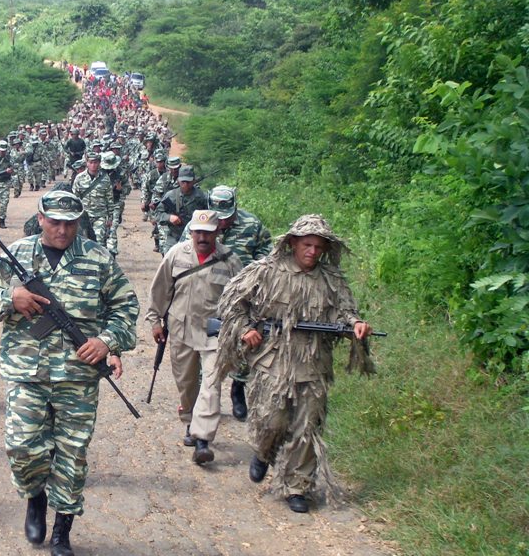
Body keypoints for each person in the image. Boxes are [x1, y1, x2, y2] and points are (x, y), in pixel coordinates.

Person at [0, 191, 139, 556]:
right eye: (55, 222)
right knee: (21, 446)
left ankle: (63, 528)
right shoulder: (18, 254)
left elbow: (126, 307)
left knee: (72, 453)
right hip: (27, 372)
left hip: (78, 376)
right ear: (41, 218)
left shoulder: (97, 259)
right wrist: (10, 297)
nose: (62, 230)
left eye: (70, 223)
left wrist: (105, 341)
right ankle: (35, 497)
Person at [215, 214, 375, 513]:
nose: (312, 251)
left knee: (307, 426)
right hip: (273, 359)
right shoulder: (266, 271)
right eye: (307, 244)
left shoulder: (331, 279)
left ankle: (297, 486)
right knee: (272, 420)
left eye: (318, 246)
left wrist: (355, 324)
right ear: (293, 243)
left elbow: (346, 310)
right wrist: (245, 329)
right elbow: (231, 304)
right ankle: (264, 452)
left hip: (313, 361)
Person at [144, 210, 242, 463]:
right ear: (190, 232)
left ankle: (202, 439)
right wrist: (155, 321)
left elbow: (242, 298)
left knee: (211, 383)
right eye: (198, 232)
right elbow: (160, 290)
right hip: (181, 326)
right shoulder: (176, 254)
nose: (202, 237)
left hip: (214, 328)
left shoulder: (230, 260)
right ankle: (190, 418)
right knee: (187, 383)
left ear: (217, 232)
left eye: (208, 232)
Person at [203, 185, 273, 421]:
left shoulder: (252, 225)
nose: (222, 223)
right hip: (211, 295)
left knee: (246, 343)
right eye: (218, 218)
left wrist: (256, 276)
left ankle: (238, 388)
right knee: (208, 349)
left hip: (245, 297)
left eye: (227, 217)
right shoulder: (203, 224)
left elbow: (268, 256)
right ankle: (207, 400)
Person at [155, 169, 208, 254]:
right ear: (178, 180)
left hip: (195, 239)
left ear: (193, 181)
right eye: (183, 181)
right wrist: (169, 217)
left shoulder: (202, 197)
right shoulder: (171, 195)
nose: (186, 185)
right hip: (174, 238)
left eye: (188, 182)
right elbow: (157, 214)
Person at [72, 152, 113, 257]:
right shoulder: (79, 178)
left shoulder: (105, 178)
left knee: (99, 241)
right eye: (91, 162)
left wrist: (110, 217)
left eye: (95, 162)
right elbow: (74, 198)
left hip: (100, 215)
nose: (93, 165)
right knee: (82, 241)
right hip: (83, 216)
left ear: (99, 163)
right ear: (87, 163)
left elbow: (109, 199)